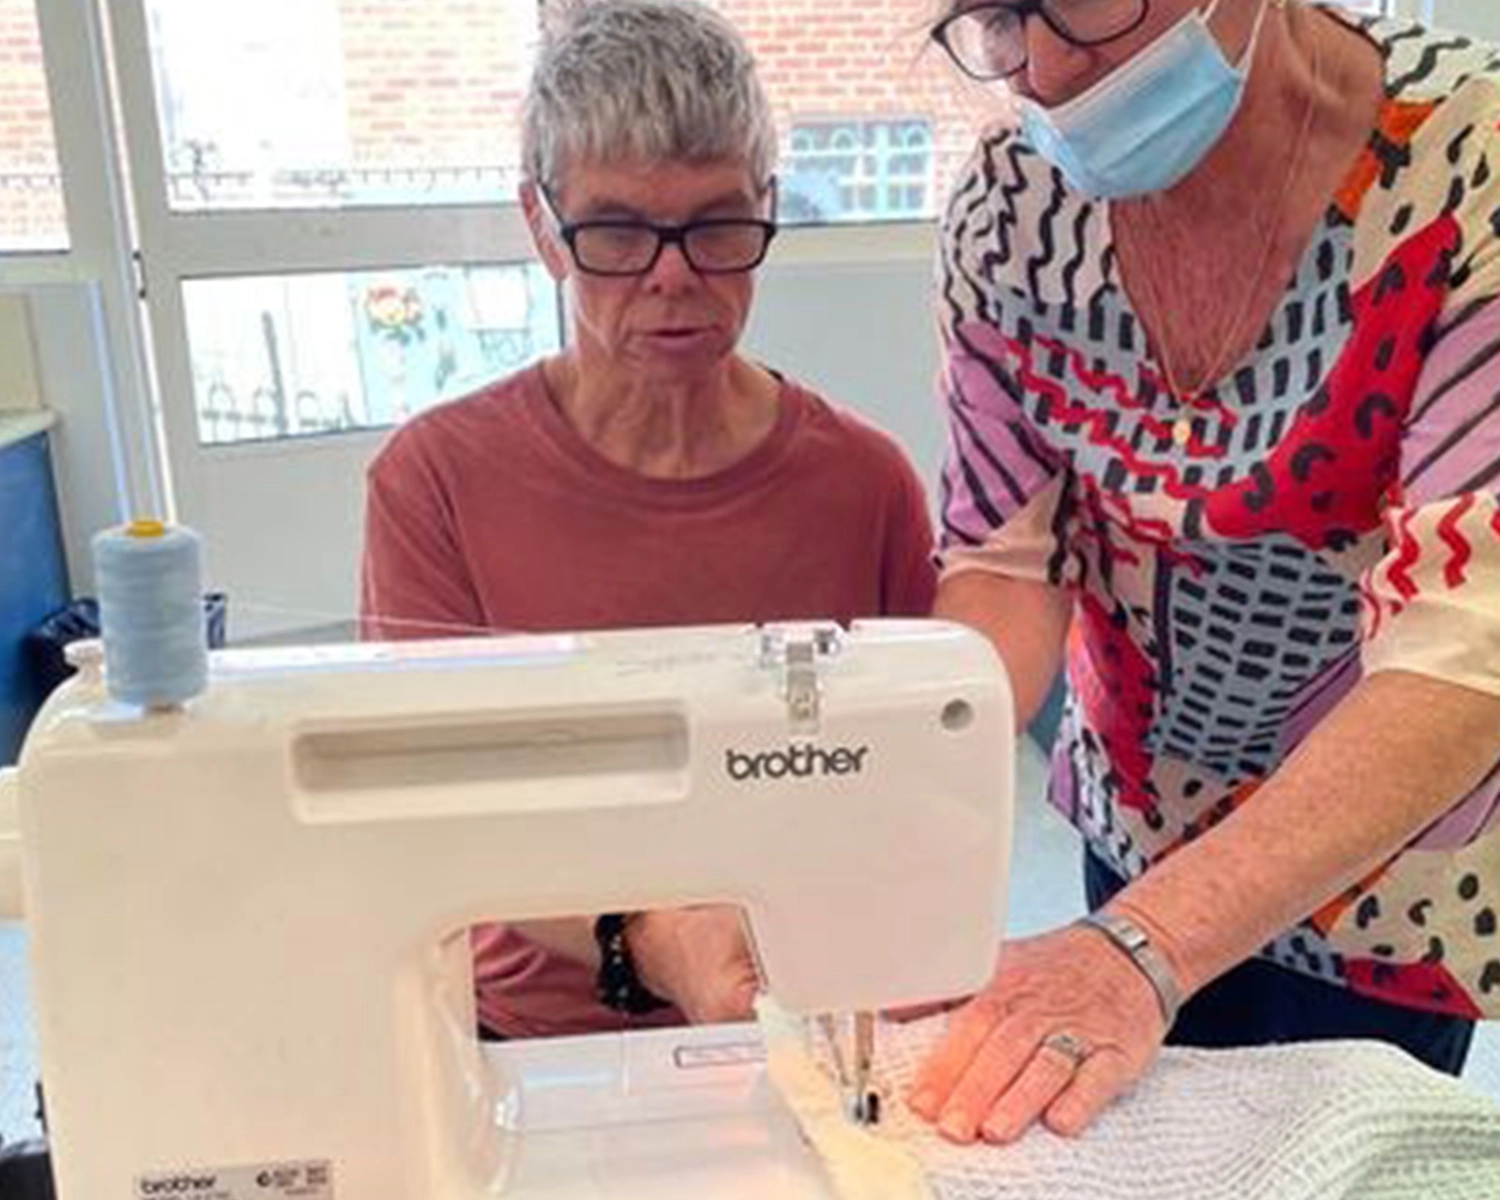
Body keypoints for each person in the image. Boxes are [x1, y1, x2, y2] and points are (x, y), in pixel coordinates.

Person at [907, 0, 1500, 1146]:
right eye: (993, 20)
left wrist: (1147, 949)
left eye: (1076, 5)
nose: (1037, 70)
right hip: (1137, 825)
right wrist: (903, 831)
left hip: (1380, 867)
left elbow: (1469, 642)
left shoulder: (1472, 159)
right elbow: (1004, 565)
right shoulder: (1012, 206)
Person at [360, 0, 938, 1041]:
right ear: (544, 228)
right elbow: (435, 801)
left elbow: (907, 786)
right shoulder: (435, 480)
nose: (673, 277)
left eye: (717, 225)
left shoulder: (867, 484)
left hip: (803, 1008)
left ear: (768, 206)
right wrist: (650, 938)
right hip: (533, 1039)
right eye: (619, 232)